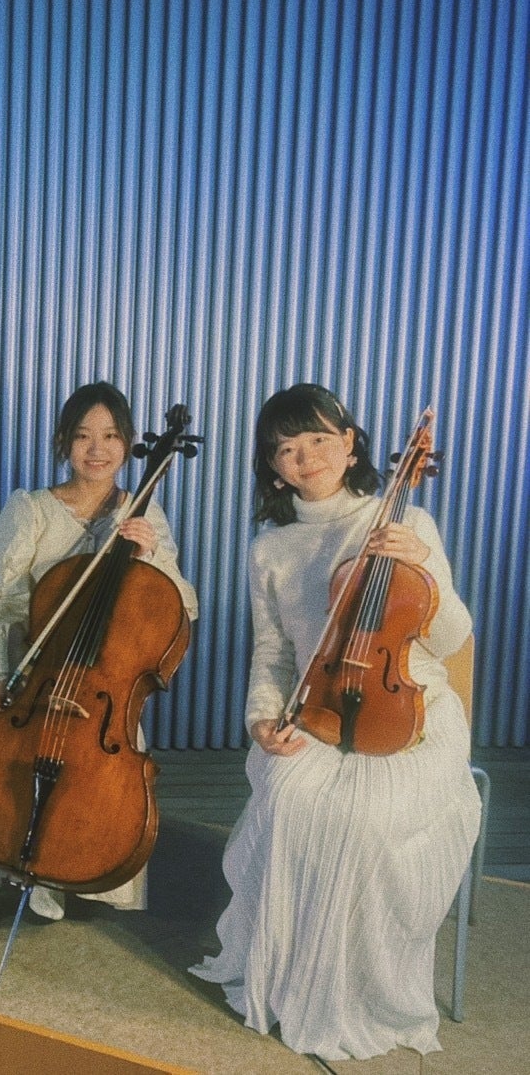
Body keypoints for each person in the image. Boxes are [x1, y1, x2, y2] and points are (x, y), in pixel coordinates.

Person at [190, 384, 481, 1061]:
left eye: (319, 439)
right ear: (272, 468)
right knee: (289, 799)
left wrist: (422, 565)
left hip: (412, 712)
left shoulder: (406, 521)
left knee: (366, 821)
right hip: (318, 707)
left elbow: (450, 638)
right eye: (286, 449)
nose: (306, 457)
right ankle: (290, 980)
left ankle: (355, 991)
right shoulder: (270, 548)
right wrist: (263, 718)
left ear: (350, 445)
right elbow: (274, 652)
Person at [0, 382, 199, 929]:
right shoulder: (31, 509)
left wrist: (151, 555)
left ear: (129, 444)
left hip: (99, 679)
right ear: (64, 442)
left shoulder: (144, 513)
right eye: (84, 436)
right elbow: (0, 601)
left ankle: (52, 871)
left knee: (96, 765)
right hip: (27, 663)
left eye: (110, 436)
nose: (97, 449)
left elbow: (180, 606)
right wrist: (2, 673)